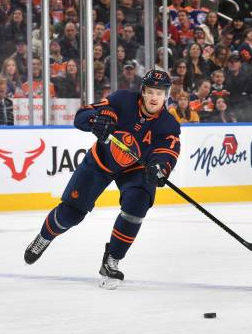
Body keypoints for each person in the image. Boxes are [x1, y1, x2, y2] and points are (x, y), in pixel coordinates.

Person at [24, 69, 181, 290]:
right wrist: (97, 121)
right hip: (101, 161)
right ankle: (44, 237)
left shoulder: (168, 124)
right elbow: (82, 116)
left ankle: (111, 260)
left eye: (160, 93)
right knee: (71, 213)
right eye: (151, 92)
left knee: (138, 203)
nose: (155, 97)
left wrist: (161, 167)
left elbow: (168, 150)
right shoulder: (122, 100)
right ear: (143, 92)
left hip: (135, 169)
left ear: (166, 96)